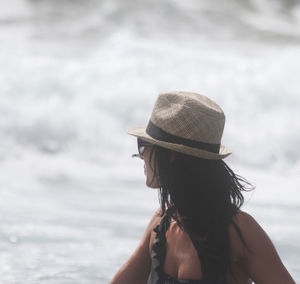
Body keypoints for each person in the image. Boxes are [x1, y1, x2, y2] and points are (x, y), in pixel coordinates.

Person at [110, 91, 295, 284]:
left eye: (145, 145)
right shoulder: (161, 223)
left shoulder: (240, 231)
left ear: (171, 156)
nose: (140, 155)